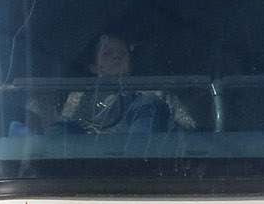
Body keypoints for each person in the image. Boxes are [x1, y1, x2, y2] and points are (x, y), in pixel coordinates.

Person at [58, 34, 194, 133]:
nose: (116, 56)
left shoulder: (159, 95)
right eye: (107, 54)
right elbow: (65, 134)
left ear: (131, 65)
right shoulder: (80, 97)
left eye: (122, 52)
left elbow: (189, 129)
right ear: (94, 67)